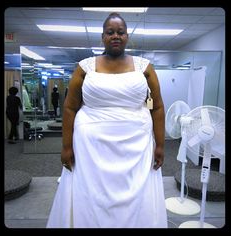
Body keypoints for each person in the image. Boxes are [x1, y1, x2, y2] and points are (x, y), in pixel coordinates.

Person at [47, 12, 167, 228]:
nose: (115, 36)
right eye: (110, 32)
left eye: (120, 32)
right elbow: (69, 108)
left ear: (127, 36)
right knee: (92, 194)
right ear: (102, 37)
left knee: (137, 195)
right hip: (91, 147)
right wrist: (66, 146)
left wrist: (160, 144)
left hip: (137, 146)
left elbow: (156, 106)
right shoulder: (85, 67)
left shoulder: (144, 67)